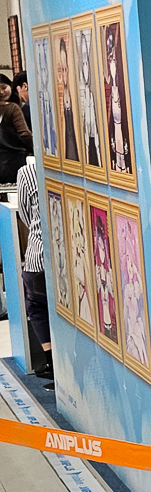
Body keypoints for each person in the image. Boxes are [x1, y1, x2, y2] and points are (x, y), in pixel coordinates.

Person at [15, 152, 50, 379]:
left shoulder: (27, 172)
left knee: (36, 306)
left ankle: (50, 360)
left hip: (39, 258)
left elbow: (25, 215)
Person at [0, 76, 31, 184]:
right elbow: (25, 134)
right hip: (13, 163)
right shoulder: (13, 108)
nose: (1, 92)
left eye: (3, 87)